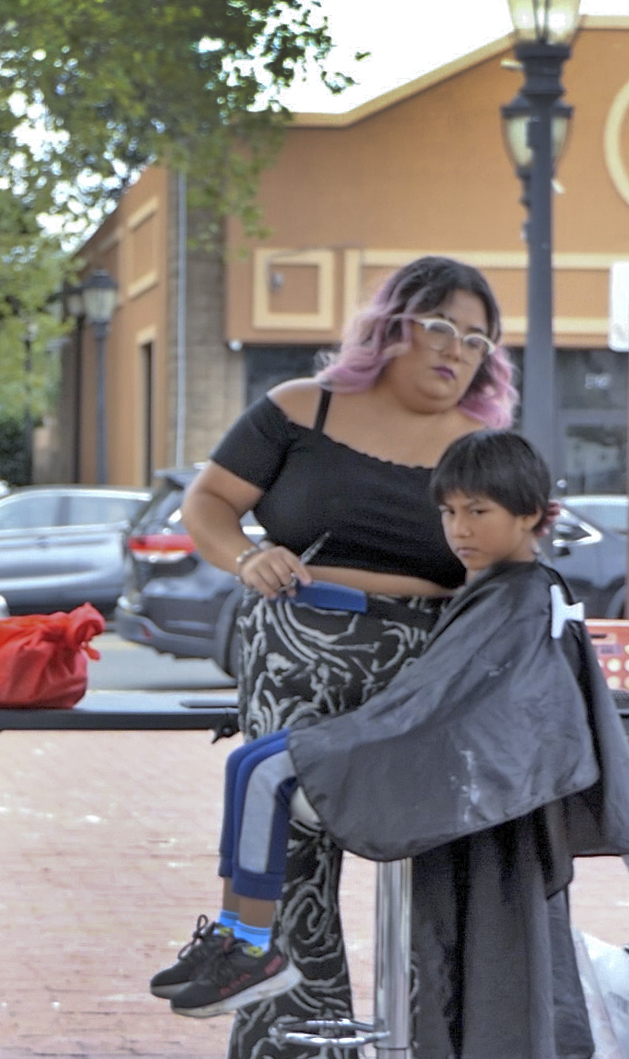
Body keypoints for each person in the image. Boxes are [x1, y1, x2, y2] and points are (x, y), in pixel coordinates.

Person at [157, 431, 629, 1055]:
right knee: (248, 759)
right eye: (448, 512)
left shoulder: (520, 598)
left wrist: (361, 736)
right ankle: (238, 937)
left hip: (444, 767)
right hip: (429, 750)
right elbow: (440, 700)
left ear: (535, 515)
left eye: (478, 512)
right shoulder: (500, 590)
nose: (458, 529)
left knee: (269, 774)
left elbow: (469, 715)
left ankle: (251, 948)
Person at [177, 256, 518, 1055]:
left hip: (426, 671)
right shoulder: (302, 407)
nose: (454, 350)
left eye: (475, 339)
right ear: (391, 325)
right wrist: (244, 558)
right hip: (294, 650)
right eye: (437, 326)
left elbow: (515, 562)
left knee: (441, 878)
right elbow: (209, 504)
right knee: (291, 865)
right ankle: (293, 1040)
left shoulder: (483, 446)